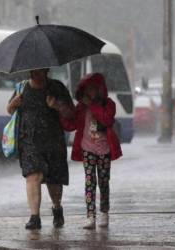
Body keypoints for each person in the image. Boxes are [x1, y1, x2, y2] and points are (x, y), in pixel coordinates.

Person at [7, 68, 75, 230]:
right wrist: (13, 104)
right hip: (29, 142)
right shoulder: (22, 88)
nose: (35, 75)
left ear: (46, 71)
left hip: (53, 142)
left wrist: (57, 105)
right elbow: (10, 110)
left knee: (54, 181)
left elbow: (71, 113)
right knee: (33, 176)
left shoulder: (57, 88)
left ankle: (57, 208)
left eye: (39, 72)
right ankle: (34, 217)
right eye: (33, 72)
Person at [60, 73, 122, 229]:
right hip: (87, 149)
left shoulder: (109, 104)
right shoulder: (81, 108)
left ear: (100, 89)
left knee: (103, 181)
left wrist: (93, 105)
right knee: (89, 181)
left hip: (104, 149)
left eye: (95, 88)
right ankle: (90, 215)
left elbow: (106, 119)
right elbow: (71, 125)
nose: (92, 92)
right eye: (89, 89)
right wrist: (60, 111)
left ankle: (104, 212)